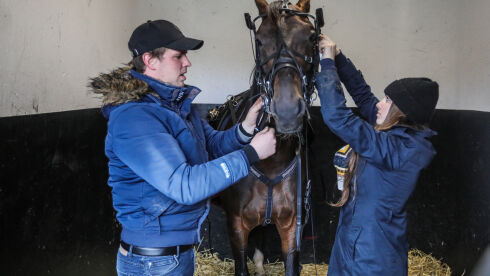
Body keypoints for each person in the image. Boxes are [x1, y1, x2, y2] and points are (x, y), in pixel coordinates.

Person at [90, 20, 276, 276]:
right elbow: (183, 186)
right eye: (178, 56)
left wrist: (244, 129)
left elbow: (210, 145)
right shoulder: (134, 118)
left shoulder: (176, 107)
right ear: (150, 60)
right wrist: (251, 154)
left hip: (174, 255)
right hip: (153, 263)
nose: (187, 62)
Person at [316, 35, 439, 275]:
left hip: (372, 255)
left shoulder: (400, 149)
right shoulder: (394, 133)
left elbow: (337, 117)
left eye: (388, 100)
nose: (380, 104)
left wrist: (328, 65)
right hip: (354, 240)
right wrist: (339, 58)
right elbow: (363, 97)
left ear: (402, 112)